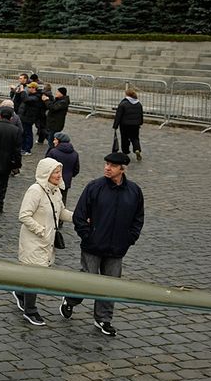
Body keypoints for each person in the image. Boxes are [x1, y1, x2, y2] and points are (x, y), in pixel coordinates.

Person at [60, 152, 144, 336]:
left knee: (110, 285)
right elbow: (79, 216)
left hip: (117, 248)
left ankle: (104, 320)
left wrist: (130, 238)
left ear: (122, 169)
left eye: (112, 166)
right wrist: (87, 236)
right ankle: (71, 300)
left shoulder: (134, 191)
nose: (107, 168)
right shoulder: (94, 187)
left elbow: (138, 218)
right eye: (106, 164)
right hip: (93, 246)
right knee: (87, 281)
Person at [14, 157, 74, 326]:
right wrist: (41, 230)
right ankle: (30, 311)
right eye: (55, 172)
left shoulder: (55, 191)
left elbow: (61, 212)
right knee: (35, 276)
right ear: (46, 173)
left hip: (46, 241)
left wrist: (78, 217)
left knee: (35, 275)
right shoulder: (35, 191)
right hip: (34, 242)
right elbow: (24, 215)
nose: (58, 175)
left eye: (59, 171)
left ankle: (19, 292)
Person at [45, 132, 80, 203]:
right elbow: (76, 169)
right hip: (66, 182)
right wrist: (68, 175)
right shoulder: (75, 153)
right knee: (62, 202)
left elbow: (46, 166)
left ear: (59, 141)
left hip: (52, 181)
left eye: (55, 140)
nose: (53, 141)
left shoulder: (53, 152)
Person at [114, 88, 145, 161]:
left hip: (125, 125)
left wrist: (115, 125)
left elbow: (118, 115)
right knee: (135, 138)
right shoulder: (139, 104)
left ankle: (125, 152)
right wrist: (140, 122)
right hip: (135, 125)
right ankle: (137, 149)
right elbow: (141, 115)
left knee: (124, 138)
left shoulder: (123, 104)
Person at [18, 82, 44, 155]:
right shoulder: (31, 95)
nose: (28, 89)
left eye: (29, 87)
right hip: (24, 116)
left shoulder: (36, 97)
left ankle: (27, 149)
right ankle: (23, 148)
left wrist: (22, 91)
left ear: (33, 88)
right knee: (24, 133)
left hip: (29, 118)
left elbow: (26, 100)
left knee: (28, 133)